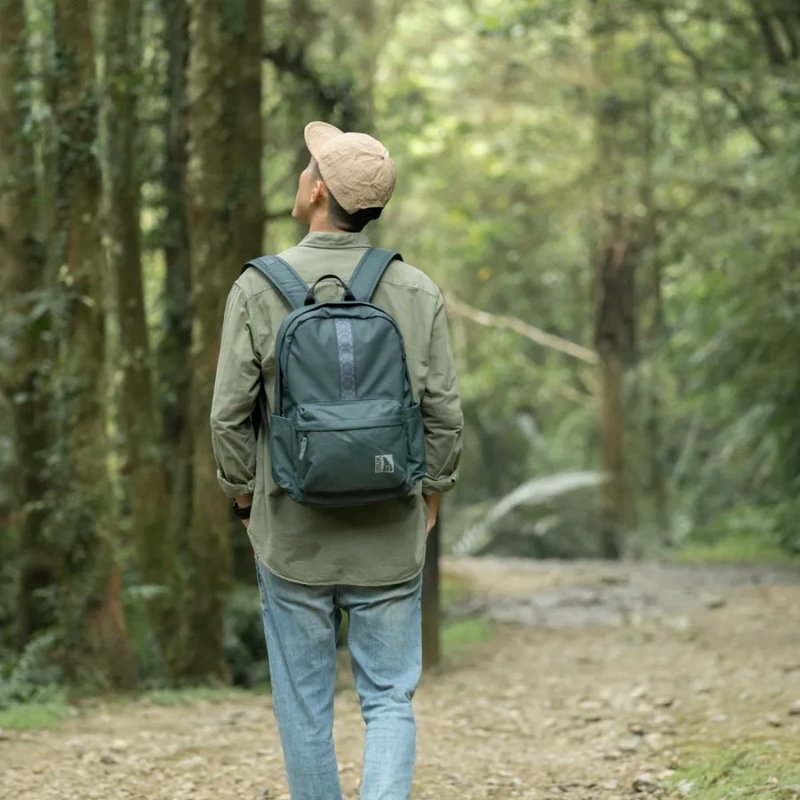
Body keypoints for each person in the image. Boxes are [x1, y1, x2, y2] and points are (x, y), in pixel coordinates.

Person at [210, 121, 463, 800]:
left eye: (305, 169)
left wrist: (245, 498)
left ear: (318, 192)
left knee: (304, 708)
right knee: (388, 699)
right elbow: (443, 411)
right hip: (390, 531)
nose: (299, 176)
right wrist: (431, 493)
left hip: (291, 534)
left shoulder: (257, 289)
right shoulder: (414, 289)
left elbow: (228, 416)